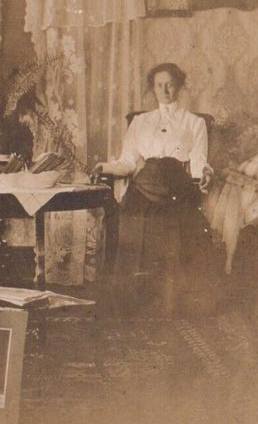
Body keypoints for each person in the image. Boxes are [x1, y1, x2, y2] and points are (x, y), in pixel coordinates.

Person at [90, 63, 218, 307]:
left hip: (176, 186)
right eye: (159, 85)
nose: (165, 90)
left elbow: (199, 161)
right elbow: (128, 162)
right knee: (133, 218)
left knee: (173, 224)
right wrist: (104, 167)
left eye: (170, 84)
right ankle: (135, 298)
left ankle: (169, 298)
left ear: (178, 86)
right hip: (144, 185)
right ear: (153, 88)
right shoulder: (140, 122)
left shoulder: (193, 122)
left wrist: (206, 174)